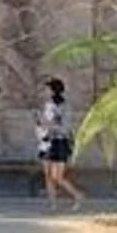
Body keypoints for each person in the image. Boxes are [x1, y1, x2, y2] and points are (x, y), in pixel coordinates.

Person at [37, 77, 85, 209]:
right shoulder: (47, 105)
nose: (45, 91)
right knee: (47, 175)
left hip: (60, 142)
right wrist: (42, 124)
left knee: (57, 176)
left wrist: (50, 125)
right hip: (46, 142)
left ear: (53, 90)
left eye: (47, 89)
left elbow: (65, 127)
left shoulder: (65, 107)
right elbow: (43, 123)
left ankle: (77, 195)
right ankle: (52, 203)